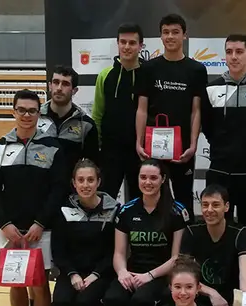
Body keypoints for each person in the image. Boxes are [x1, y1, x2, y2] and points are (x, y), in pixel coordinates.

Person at [0, 89, 68, 306]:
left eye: (32, 110)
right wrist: (4, 223)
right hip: (10, 229)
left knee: (40, 283)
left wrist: (41, 223)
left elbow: (58, 190)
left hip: (40, 231)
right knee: (16, 283)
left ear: (39, 113)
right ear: (13, 111)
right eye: (21, 110)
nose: (27, 115)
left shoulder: (52, 147)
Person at [103, 159, 188, 306]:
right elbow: (119, 253)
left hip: (160, 275)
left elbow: (177, 258)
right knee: (113, 298)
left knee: (141, 302)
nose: (147, 182)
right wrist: (122, 273)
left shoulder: (176, 211)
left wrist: (149, 276)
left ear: (163, 180)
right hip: (132, 272)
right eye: (143, 177)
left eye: (153, 177)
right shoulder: (126, 210)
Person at [51, 159, 120, 306]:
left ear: (99, 181)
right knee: (61, 301)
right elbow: (59, 251)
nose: (86, 185)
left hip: (99, 273)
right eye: (81, 180)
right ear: (73, 183)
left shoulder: (113, 211)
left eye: (90, 180)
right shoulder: (63, 211)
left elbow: (114, 251)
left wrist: (95, 275)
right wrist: (71, 275)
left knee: (86, 302)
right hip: (71, 273)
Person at [201, 34, 246, 233]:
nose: (234, 57)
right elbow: (207, 127)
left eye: (239, 52)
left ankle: (245, 265)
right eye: (229, 52)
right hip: (219, 171)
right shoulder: (211, 88)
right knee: (218, 228)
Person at [135, 13, 208, 219]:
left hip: (182, 148)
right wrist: (138, 142)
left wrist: (193, 145)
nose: (170, 36)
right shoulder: (148, 69)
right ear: (160, 36)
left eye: (175, 32)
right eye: (166, 32)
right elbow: (142, 108)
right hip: (153, 146)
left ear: (184, 35)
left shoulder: (196, 70)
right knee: (152, 197)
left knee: (184, 198)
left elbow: (196, 110)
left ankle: (185, 248)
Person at [94, 23, 145, 200]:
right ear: (117, 44)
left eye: (132, 43)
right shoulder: (105, 75)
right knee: (105, 200)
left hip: (140, 152)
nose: (126, 47)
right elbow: (98, 114)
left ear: (140, 46)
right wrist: (97, 147)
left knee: (140, 202)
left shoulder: (148, 75)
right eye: (122, 42)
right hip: (110, 151)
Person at [42, 65, 100, 176]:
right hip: (41, 190)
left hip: (71, 190)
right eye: (56, 82)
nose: (59, 88)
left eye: (65, 84)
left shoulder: (87, 124)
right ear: (50, 86)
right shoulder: (36, 118)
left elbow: (92, 167)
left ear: (74, 90)